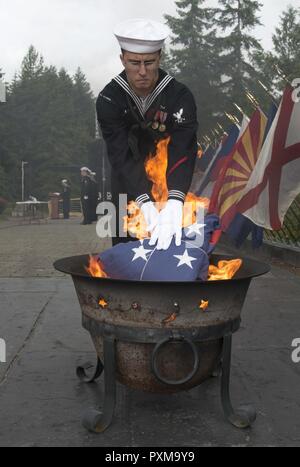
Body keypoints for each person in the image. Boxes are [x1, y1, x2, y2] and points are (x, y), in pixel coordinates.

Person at [97, 18, 198, 249]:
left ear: (160, 58)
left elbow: (184, 148)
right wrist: (144, 202)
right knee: (126, 250)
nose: (142, 71)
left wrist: (175, 200)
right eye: (134, 63)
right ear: (122, 59)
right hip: (126, 182)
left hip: (171, 180)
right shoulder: (109, 99)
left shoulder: (180, 96)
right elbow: (120, 154)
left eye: (149, 62)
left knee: (172, 250)